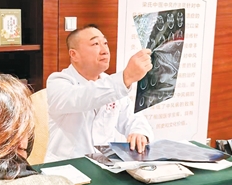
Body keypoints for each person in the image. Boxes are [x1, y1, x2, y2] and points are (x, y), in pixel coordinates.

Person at [45, 24, 154, 161]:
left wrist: (139, 133)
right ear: (74, 54)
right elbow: (84, 97)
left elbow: (132, 117)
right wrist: (125, 77)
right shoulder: (58, 82)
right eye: (95, 44)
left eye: (105, 43)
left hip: (105, 163)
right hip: (67, 166)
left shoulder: (109, 82)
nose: (105, 50)